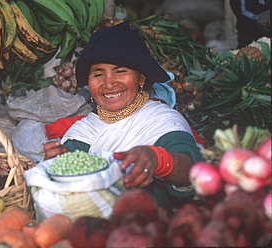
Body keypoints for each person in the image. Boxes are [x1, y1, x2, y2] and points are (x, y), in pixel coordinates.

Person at [43, 21, 204, 209]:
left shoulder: (162, 121)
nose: (109, 83)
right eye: (98, 74)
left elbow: (193, 170)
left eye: (121, 71)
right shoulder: (83, 131)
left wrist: (160, 160)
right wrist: (55, 167)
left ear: (141, 79)